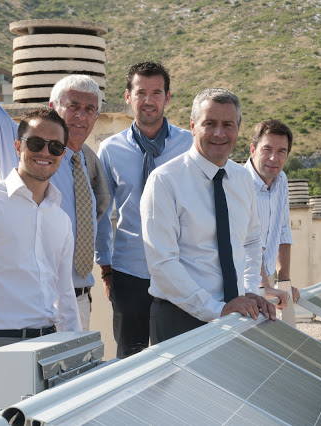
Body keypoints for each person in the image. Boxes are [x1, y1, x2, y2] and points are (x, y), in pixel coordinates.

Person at [0, 33, 109, 330]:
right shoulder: (31, 147)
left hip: (77, 302)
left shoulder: (88, 162)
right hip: (32, 308)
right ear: (54, 107)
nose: (81, 115)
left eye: (89, 109)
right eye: (73, 106)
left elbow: (98, 220)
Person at [140, 88, 276, 343]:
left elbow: (251, 241)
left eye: (228, 125)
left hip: (234, 315)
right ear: (193, 126)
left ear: (238, 128)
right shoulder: (165, 181)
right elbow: (162, 265)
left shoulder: (243, 179)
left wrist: (247, 290)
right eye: (209, 124)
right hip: (179, 320)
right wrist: (216, 310)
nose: (219, 133)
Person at [0, 108, 82, 361]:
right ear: (18, 146)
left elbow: (64, 293)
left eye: (54, 147)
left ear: (62, 154)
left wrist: (74, 349)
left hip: (50, 345)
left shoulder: (61, 219)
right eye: (36, 143)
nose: (45, 152)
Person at [96, 62, 192, 358]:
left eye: (156, 93)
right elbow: (102, 212)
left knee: (179, 357)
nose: (148, 100)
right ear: (128, 96)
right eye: (141, 92)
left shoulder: (189, 145)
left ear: (168, 97)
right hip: (130, 271)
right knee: (129, 358)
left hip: (180, 267)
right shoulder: (111, 149)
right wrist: (105, 266)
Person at [245, 120, 300, 307]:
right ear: (253, 149)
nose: (273, 158)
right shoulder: (240, 183)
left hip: (260, 282)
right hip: (237, 286)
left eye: (281, 152)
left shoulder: (281, 180)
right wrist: (263, 285)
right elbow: (249, 239)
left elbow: (284, 229)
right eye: (267, 149)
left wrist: (285, 282)